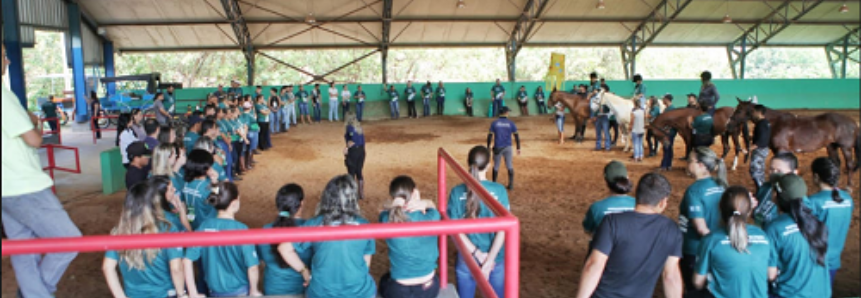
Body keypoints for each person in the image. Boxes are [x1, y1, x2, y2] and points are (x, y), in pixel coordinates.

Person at [2, 43, 82, 298]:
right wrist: (34, 125)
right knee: (70, 241)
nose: (8, 61)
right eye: (3, 55)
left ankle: (31, 293)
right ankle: (36, 293)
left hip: (6, 188)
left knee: (23, 250)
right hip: (25, 184)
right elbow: (34, 140)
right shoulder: (3, 96)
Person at [575, 173, 682, 298]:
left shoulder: (612, 222)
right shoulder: (672, 230)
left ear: (637, 195)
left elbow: (594, 265)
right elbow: (671, 276)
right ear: (663, 202)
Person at [278, 175, 377, 298]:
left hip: (321, 293)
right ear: (353, 199)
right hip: (359, 293)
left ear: (327, 197)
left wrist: (305, 271)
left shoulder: (315, 223)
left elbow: (284, 248)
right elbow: (366, 264)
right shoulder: (365, 225)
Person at [102, 182, 187, 298]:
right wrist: (181, 294)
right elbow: (176, 268)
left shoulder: (118, 232)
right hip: (164, 293)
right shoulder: (169, 229)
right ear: (154, 203)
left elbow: (107, 267)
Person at [447, 146, 510, 298]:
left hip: (467, 256)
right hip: (496, 258)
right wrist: (490, 259)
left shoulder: (456, 192)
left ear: (468, 164)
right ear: (488, 166)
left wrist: (476, 253)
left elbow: (454, 229)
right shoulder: (499, 190)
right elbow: (503, 229)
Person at [692, 186, 774, 298]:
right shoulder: (763, 235)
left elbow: (698, 282)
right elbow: (771, 275)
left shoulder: (711, 240)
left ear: (720, 209)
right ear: (749, 211)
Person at [183, 182, 262, 297]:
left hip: (214, 292)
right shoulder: (241, 229)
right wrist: (254, 291)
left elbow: (186, 260)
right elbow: (253, 267)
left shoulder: (204, 226)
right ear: (235, 203)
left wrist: (193, 293)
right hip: (240, 291)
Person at [766, 174, 831, 298]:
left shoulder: (775, 228)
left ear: (777, 197)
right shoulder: (818, 223)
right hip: (822, 293)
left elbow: (770, 275)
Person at [378, 176, 442, 298]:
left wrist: (394, 206)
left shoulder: (387, 219)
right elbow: (433, 208)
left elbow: (381, 210)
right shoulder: (432, 216)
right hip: (428, 287)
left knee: (384, 280)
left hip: (399, 290)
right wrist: (425, 202)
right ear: (415, 193)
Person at [679, 147, 728, 297]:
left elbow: (700, 228)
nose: (687, 163)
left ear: (701, 165)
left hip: (696, 249)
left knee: (695, 290)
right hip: (720, 246)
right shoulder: (722, 184)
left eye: (690, 160)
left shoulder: (694, 190)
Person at [257, 184, 310, 297]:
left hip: (272, 290)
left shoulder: (266, 230)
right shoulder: (309, 229)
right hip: (301, 290)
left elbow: (260, 263)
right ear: (301, 204)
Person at [808, 157, 854, 284]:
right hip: (834, 261)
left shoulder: (812, 201)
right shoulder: (848, 199)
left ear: (816, 177)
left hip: (814, 261)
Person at [582, 161, 635, 235]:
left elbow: (587, 230)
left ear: (606, 181)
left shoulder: (596, 208)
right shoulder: (639, 205)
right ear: (627, 178)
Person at [752, 152, 796, 227]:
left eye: (779, 171)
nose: (774, 173)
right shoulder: (765, 188)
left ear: (794, 172)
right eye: (771, 169)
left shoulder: (795, 196)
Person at [181, 149, 220, 230]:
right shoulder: (207, 187)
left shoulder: (185, 182)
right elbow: (217, 203)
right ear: (205, 168)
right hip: (208, 226)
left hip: (191, 225)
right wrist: (215, 182)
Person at [487, 107, 521, 190]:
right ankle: (511, 184)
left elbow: (489, 136)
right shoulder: (511, 123)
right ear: (506, 113)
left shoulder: (494, 123)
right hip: (508, 147)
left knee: (496, 166)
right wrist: (518, 147)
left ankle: (494, 184)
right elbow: (516, 136)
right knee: (509, 165)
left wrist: (488, 146)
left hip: (498, 147)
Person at [344, 113, 367, 200]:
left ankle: (352, 194)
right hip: (362, 151)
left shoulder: (349, 127)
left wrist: (347, 148)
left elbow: (351, 141)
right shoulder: (359, 127)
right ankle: (361, 194)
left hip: (354, 151)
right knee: (359, 171)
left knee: (351, 173)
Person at [749, 104, 771, 191]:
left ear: (759, 113)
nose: (752, 114)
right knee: (760, 171)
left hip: (759, 151)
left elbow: (761, 140)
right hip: (764, 150)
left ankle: (761, 190)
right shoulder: (766, 123)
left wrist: (749, 149)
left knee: (755, 171)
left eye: (754, 112)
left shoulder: (761, 124)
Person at [659, 94, 677, 171]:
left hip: (668, 133)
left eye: (663, 99)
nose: (663, 100)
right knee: (668, 148)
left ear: (667, 99)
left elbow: (672, 122)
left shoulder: (670, 109)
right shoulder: (670, 109)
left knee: (667, 148)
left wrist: (667, 130)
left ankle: (665, 166)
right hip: (669, 132)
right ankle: (668, 165)